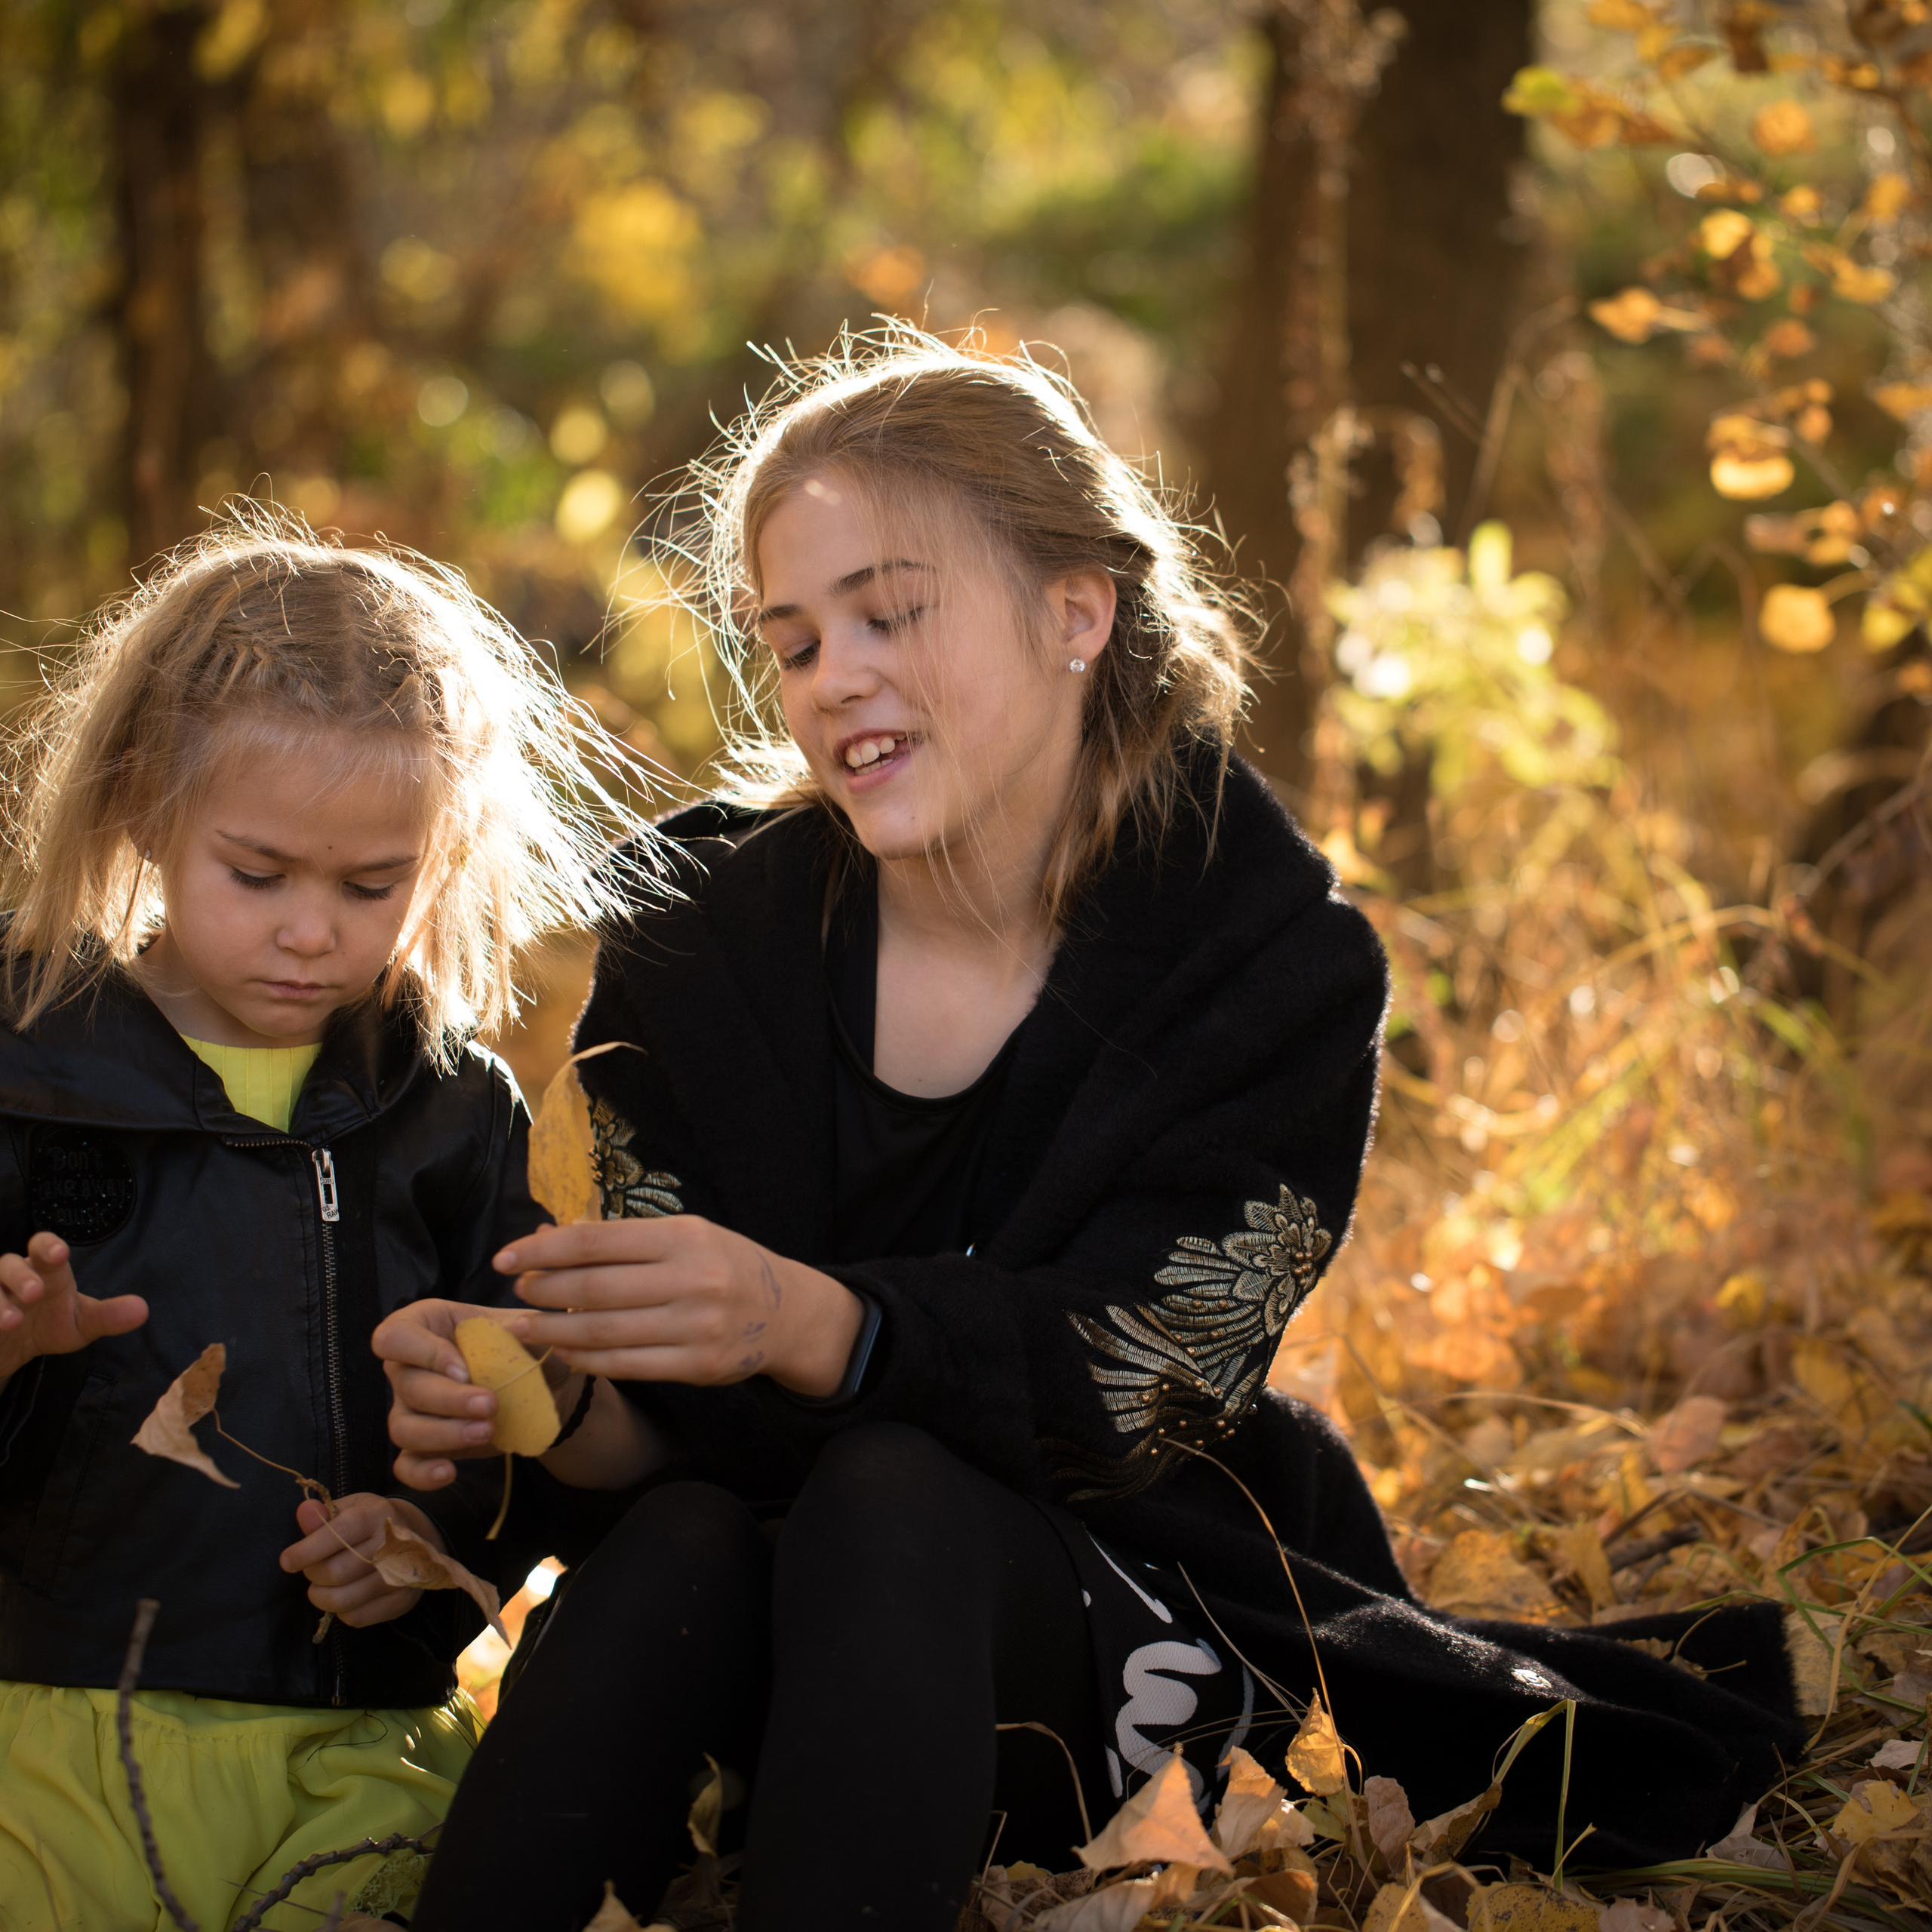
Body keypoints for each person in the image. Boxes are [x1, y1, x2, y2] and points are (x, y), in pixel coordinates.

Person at [379, 336, 1805, 1932]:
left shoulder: (1261, 957)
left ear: (1076, 611)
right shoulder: (697, 937)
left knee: (890, 1495)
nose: (830, 671)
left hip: (1130, 1650)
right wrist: (556, 1392)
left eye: (886, 610)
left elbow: (1149, 1373)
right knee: (692, 1533)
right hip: (782, 1649)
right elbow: (660, 1445)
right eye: (792, 640)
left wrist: (813, 1319)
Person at [0, 522, 653, 1929]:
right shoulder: (28, 1063)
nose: (315, 933)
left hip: (367, 1736)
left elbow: (524, 1449)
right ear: (140, 808)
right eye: (259, 874)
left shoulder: (448, 1106)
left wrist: (421, 1539)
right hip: (54, 1720)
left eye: (372, 887)